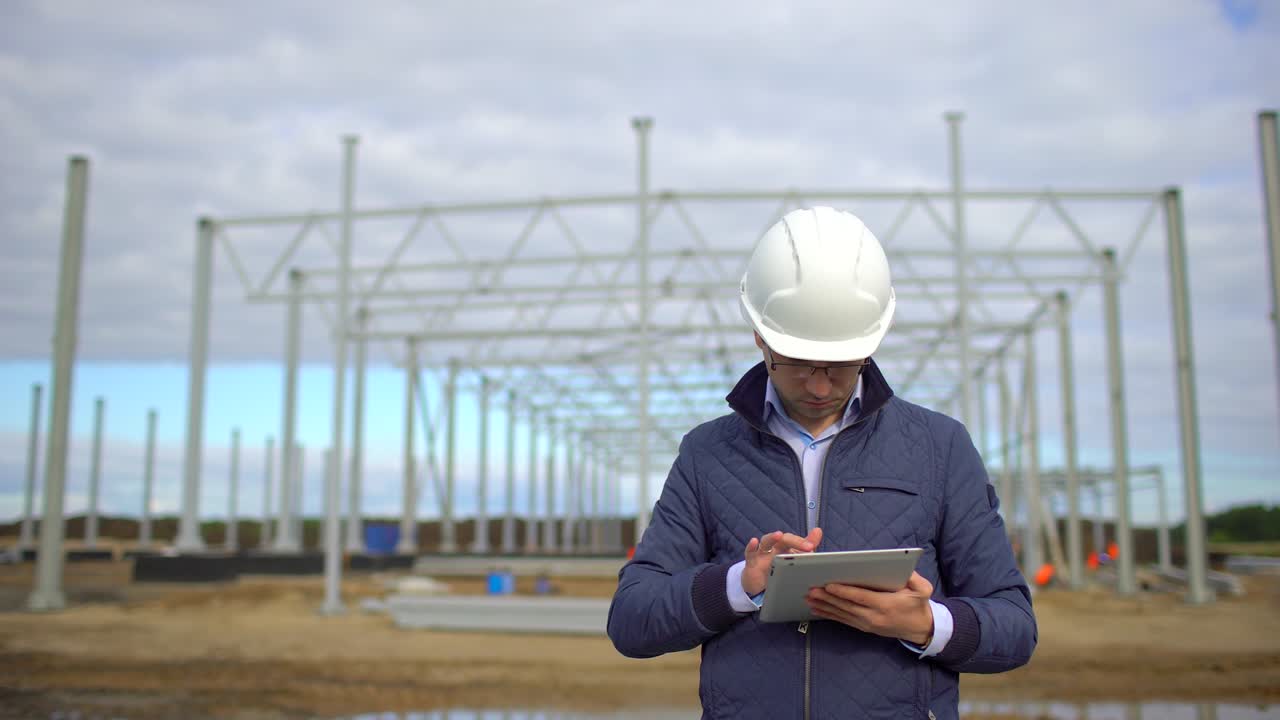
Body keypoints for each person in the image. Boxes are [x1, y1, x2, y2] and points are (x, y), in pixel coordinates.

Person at [607, 207, 1036, 720]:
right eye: (795, 362)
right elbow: (632, 621)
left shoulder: (939, 448)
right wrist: (739, 585)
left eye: (839, 365)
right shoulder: (707, 454)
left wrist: (925, 625)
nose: (817, 385)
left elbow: (1015, 626)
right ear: (760, 338)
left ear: (871, 344)